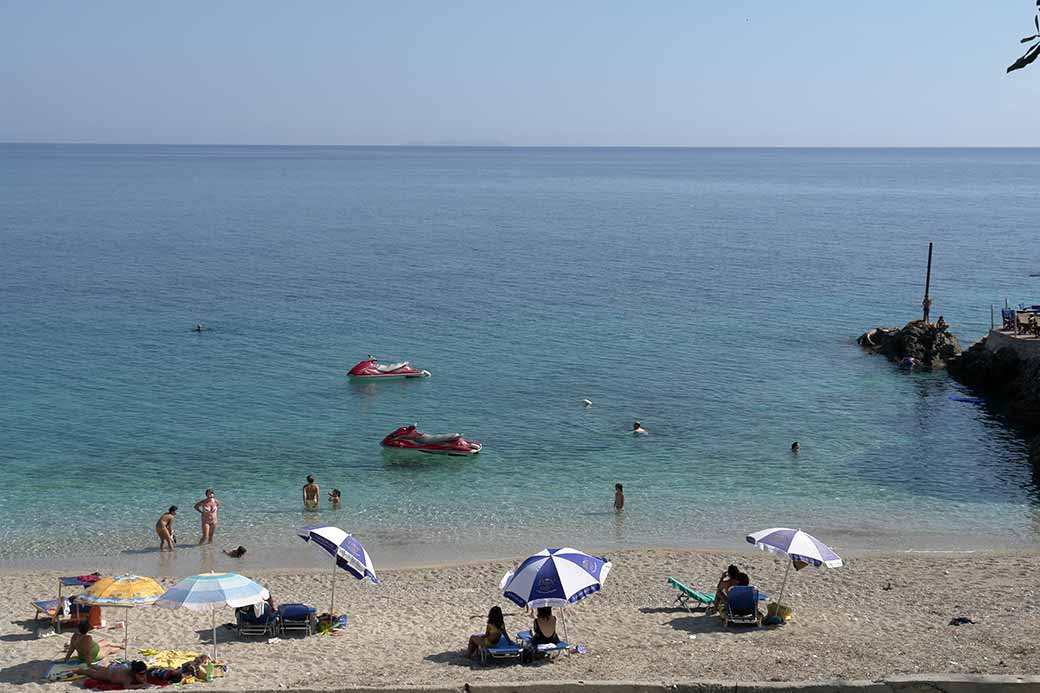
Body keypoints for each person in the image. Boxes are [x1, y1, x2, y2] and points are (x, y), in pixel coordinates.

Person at [75, 661, 148, 688]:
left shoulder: (134, 672)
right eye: (141, 674)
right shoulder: (128, 678)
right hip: (109, 674)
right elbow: (126, 686)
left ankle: (91, 665)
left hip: (115, 669)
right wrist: (139, 685)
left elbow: (142, 676)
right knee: (93, 673)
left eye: (145, 673)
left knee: (100, 668)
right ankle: (80, 670)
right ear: (135, 673)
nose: (144, 676)